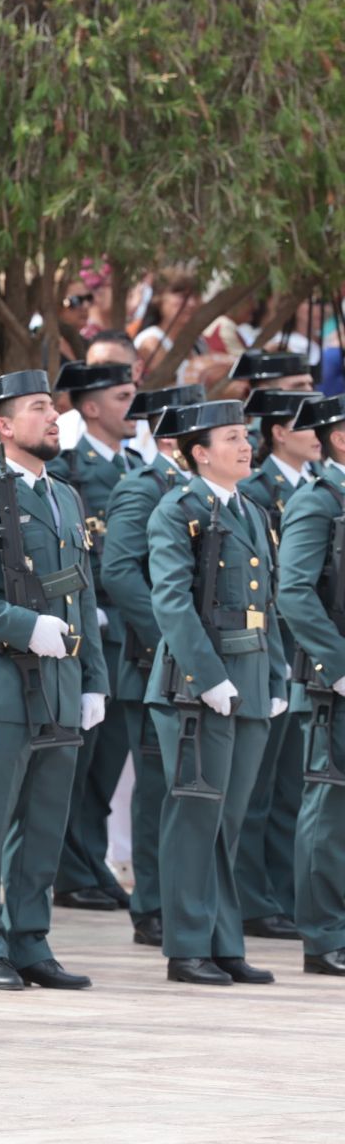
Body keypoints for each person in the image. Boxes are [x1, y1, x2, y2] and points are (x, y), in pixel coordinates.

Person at [0, 370, 108, 991]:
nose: (54, 416)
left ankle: (31, 940)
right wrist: (22, 625)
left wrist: (94, 678)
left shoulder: (65, 495)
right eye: (39, 408)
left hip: (60, 680)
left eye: (54, 407)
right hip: (1, 679)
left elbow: (80, 594)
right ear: (3, 427)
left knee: (43, 823)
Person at [144, 399, 286, 986]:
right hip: (196, 685)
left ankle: (224, 941)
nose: (245, 444)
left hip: (250, 678)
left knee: (229, 820)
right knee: (194, 816)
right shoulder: (177, 510)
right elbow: (172, 602)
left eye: (246, 435)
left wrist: (276, 676)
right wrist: (210, 679)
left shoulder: (250, 509)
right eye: (231, 437)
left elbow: (265, 606)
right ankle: (186, 945)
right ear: (200, 452)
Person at [99, 383, 205, 949]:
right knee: (160, 785)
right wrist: (176, 638)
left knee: (193, 788)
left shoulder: (203, 491)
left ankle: (188, 899)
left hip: (204, 662)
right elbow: (119, 573)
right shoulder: (145, 488)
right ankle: (153, 904)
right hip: (156, 662)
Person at [46, 359, 138, 915]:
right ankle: (71, 870)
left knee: (107, 764)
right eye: (123, 396)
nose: (133, 406)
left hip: (125, 636)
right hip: (91, 629)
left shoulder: (133, 466)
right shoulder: (74, 471)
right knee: (79, 762)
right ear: (92, 407)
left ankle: (91, 862)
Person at [232, 387, 315, 944]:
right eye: (304, 423)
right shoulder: (259, 490)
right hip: (264, 648)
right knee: (255, 790)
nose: (319, 432)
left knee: (290, 786)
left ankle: (284, 893)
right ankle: (251, 899)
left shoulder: (310, 488)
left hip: (293, 654)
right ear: (278, 433)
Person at [273, 393, 345, 977]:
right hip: (333, 685)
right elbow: (294, 592)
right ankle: (324, 938)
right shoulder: (316, 503)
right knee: (329, 807)